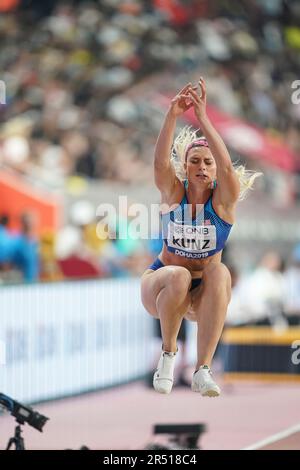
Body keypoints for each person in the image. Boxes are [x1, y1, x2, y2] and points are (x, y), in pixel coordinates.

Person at [141, 78, 261, 396]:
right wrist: (172, 114)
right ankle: (168, 357)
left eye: (208, 163)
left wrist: (204, 118)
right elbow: (159, 162)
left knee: (220, 271)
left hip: (201, 296)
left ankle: (203, 370)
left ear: (215, 171)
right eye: (194, 161)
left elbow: (227, 166)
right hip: (161, 284)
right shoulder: (173, 192)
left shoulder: (222, 202)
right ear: (185, 166)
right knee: (179, 274)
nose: (202, 167)